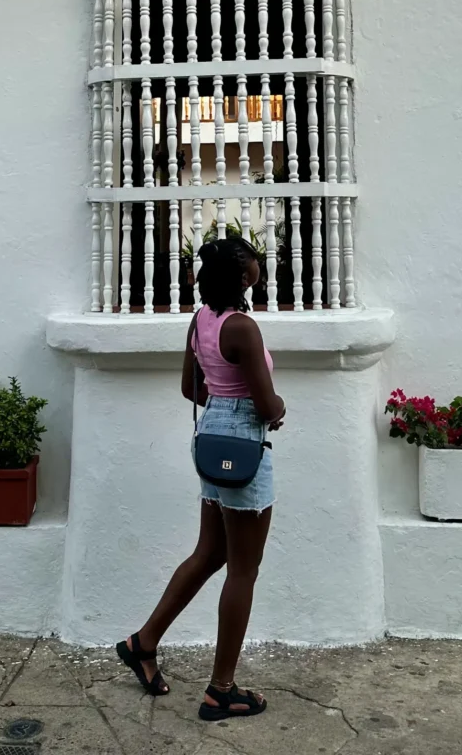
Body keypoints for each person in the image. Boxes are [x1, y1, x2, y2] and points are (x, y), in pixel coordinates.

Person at [116, 236, 286, 721]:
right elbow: (266, 403)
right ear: (241, 277)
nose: (257, 275)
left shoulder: (201, 320)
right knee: (243, 570)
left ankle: (142, 642)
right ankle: (221, 690)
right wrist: (278, 410)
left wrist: (226, 402)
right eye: (253, 270)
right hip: (242, 448)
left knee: (210, 552)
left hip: (209, 439)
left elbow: (190, 386)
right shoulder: (242, 328)